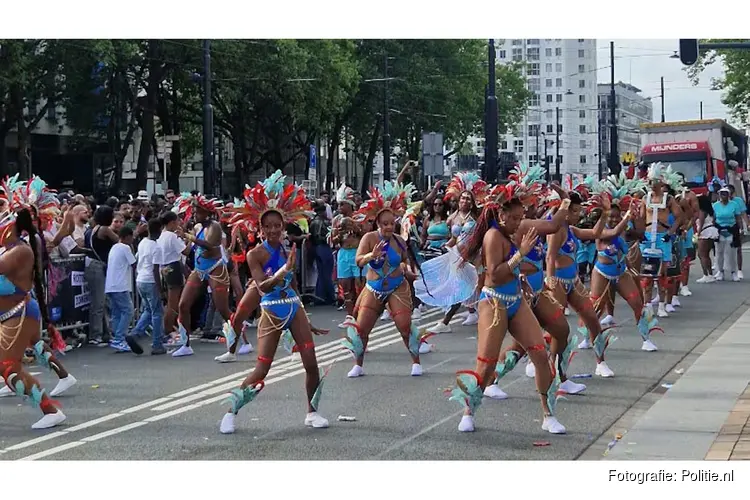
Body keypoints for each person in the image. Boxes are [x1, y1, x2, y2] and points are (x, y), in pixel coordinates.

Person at [450, 183, 566, 434]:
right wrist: (521, 255)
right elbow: (496, 273)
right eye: (514, 218)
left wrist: (565, 203)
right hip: (493, 302)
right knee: (486, 364)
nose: (518, 222)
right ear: (501, 216)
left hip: (515, 301)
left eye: (521, 217)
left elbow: (550, 227)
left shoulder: (514, 231)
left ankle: (548, 415)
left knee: (540, 354)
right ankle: (468, 411)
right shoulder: (493, 235)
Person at [219, 170, 330, 434]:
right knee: (262, 369)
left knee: (312, 364)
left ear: (283, 226)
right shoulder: (254, 254)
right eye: (267, 226)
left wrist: (305, 315)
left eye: (277, 226)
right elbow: (262, 286)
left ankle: (312, 413)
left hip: (293, 307)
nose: (273, 230)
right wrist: (283, 270)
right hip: (270, 311)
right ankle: (230, 412)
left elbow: (291, 284)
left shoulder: (285, 248)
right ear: (260, 229)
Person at [341, 180, 427, 377]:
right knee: (361, 329)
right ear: (378, 224)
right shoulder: (369, 238)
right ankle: (358, 365)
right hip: (373, 287)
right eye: (385, 224)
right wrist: (372, 255)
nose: (389, 227)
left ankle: (416, 362)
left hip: (396, 287)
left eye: (392, 223)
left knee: (404, 326)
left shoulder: (398, 241)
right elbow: (359, 261)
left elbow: (404, 260)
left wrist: (406, 270)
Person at [0, 179, 67, 429]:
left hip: (19, 316)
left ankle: (50, 410)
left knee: (9, 368)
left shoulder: (19, 251)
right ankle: (62, 380)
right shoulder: (9, 248)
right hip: (11, 315)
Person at [427, 172, 488, 332]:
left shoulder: (477, 216)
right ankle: (451, 321)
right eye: (462, 198)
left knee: (481, 289)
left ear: (472, 202)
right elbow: (454, 238)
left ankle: (448, 322)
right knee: (461, 289)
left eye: (468, 198)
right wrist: (445, 247)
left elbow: (480, 238)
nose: (464, 201)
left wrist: (470, 255)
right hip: (458, 258)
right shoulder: (453, 218)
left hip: (475, 258)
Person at [173, 193, 230, 358]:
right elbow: (192, 248)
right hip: (199, 269)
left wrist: (188, 236)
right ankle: (185, 344)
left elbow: (210, 246)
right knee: (183, 305)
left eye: (198, 212)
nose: (194, 214)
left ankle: (242, 342)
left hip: (216, 268)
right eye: (194, 211)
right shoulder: (197, 227)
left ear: (207, 213)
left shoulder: (215, 227)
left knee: (223, 309)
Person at [639, 164, 683, 318]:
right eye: (649, 181)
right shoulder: (645, 198)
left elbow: (679, 217)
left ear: (660, 182)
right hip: (648, 237)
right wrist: (640, 234)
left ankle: (663, 305)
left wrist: (670, 233)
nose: (651, 184)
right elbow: (641, 218)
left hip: (662, 237)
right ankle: (648, 305)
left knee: (662, 273)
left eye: (653, 181)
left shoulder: (668, 199)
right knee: (647, 273)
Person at [125, 218, 165, 355]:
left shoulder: (143, 242)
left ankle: (136, 333)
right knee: (157, 312)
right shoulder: (156, 247)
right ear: (159, 230)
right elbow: (155, 269)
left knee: (148, 310)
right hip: (150, 281)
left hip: (140, 279)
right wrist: (160, 289)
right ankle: (157, 344)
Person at [84, 205, 119, 346]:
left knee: (102, 301)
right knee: (98, 302)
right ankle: (95, 334)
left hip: (95, 265)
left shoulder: (92, 229)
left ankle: (105, 332)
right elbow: (119, 240)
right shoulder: (104, 229)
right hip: (97, 266)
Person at [331, 183, 364, 317]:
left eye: (342, 204)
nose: (339, 207)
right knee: (345, 286)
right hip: (343, 253)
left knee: (359, 285)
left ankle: (361, 314)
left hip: (357, 252)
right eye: (339, 204)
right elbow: (333, 241)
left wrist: (356, 228)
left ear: (350, 205)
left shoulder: (360, 217)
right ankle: (350, 315)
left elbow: (366, 235)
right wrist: (339, 234)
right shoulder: (336, 220)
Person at [105, 226, 136, 352]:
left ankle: (117, 339)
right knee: (128, 311)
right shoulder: (125, 247)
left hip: (111, 285)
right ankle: (119, 338)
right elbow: (134, 263)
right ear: (127, 237)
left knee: (117, 313)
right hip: (121, 285)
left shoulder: (114, 247)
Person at [713, 186, 742, 281]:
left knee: (731, 253)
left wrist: (740, 229)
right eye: (722, 194)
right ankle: (720, 271)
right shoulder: (715, 205)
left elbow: (738, 217)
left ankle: (734, 272)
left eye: (725, 194)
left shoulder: (734, 204)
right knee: (719, 252)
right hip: (719, 230)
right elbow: (713, 219)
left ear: (728, 195)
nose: (723, 196)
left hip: (731, 230)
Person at [310, 202, 335, 305]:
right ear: (322, 212)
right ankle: (329, 296)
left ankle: (320, 296)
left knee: (322, 273)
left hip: (317, 248)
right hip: (323, 247)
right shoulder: (322, 222)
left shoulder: (313, 222)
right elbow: (322, 236)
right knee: (327, 272)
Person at [696, 193, 718, 283]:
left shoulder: (702, 211)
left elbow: (701, 223)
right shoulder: (710, 211)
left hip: (705, 232)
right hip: (711, 231)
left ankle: (707, 275)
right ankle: (710, 274)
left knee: (702, 255)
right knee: (705, 254)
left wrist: (698, 234)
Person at [728, 184, 747, 280]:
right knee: (727, 251)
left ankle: (739, 270)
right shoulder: (721, 201)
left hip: (736, 227)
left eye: (730, 193)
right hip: (725, 228)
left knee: (738, 249)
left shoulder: (738, 201)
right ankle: (728, 270)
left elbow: (743, 213)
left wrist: (746, 225)